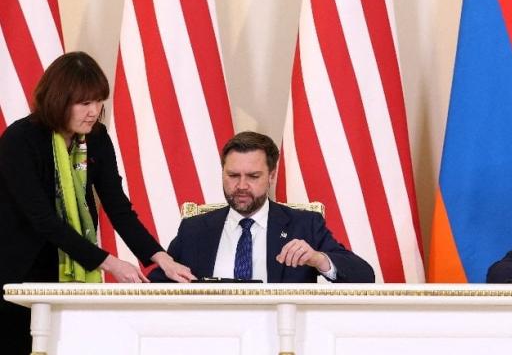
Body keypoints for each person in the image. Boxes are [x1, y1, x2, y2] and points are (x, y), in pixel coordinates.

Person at [0, 52, 194, 355]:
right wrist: (110, 262)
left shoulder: (97, 138)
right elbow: (44, 220)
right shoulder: (20, 139)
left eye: (99, 101)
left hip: (72, 270)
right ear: (58, 100)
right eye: (85, 103)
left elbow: (118, 207)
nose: (94, 112)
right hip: (17, 273)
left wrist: (160, 257)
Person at [151, 131, 375, 283]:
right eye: (233, 175)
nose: (241, 186)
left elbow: (364, 276)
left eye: (253, 176)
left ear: (271, 176)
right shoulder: (195, 229)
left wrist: (317, 259)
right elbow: (157, 286)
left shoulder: (303, 225)